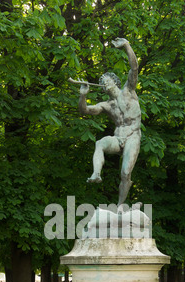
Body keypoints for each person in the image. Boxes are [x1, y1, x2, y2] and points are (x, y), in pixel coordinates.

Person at [78, 38, 141, 207]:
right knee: (100, 143)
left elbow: (134, 67)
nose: (104, 83)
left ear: (115, 82)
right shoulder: (106, 105)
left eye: (107, 80)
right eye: (102, 83)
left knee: (125, 172)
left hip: (133, 136)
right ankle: (96, 174)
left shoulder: (129, 90)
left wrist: (127, 46)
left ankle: (120, 206)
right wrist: (83, 95)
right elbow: (85, 111)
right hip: (118, 137)